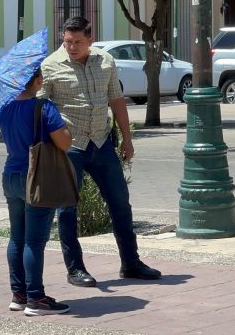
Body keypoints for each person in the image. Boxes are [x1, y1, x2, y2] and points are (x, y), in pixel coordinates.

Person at [39, 16, 161, 287]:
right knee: (67, 209)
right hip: (69, 146)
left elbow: (116, 100)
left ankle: (131, 262)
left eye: (77, 42)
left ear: (90, 39)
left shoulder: (105, 61)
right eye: (67, 41)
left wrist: (127, 139)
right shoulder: (50, 66)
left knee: (120, 203)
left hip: (102, 142)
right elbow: (40, 106)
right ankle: (75, 269)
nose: (71, 47)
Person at [0, 68, 72, 316]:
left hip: (11, 175)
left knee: (17, 237)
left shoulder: (4, 108)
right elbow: (64, 142)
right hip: (37, 177)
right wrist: (66, 129)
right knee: (34, 241)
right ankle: (36, 298)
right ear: (37, 81)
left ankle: (18, 295)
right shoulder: (44, 107)